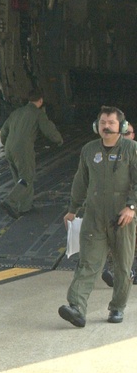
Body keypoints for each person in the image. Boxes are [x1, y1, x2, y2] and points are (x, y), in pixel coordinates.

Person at [59, 106, 137, 327]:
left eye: (111, 123)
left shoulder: (131, 149)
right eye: (102, 122)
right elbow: (81, 181)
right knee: (88, 263)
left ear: (121, 126)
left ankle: (117, 307)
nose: (106, 126)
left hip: (122, 218)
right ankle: (76, 307)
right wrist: (72, 209)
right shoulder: (89, 150)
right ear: (97, 126)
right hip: (94, 217)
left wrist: (132, 206)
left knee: (122, 266)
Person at [0, 89, 64, 218]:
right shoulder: (38, 113)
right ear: (40, 101)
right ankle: (10, 201)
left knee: (19, 178)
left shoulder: (16, 113)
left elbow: (3, 131)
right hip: (23, 149)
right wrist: (59, 140)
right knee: (27, 177)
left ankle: (24, 207)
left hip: (9, 148)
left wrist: (8, 144)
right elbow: (48, 129)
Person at [102, 120, 137, 287]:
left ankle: (124, 271)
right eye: (123, 134)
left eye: (129, 133)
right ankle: (118, 271)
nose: (126, 136)